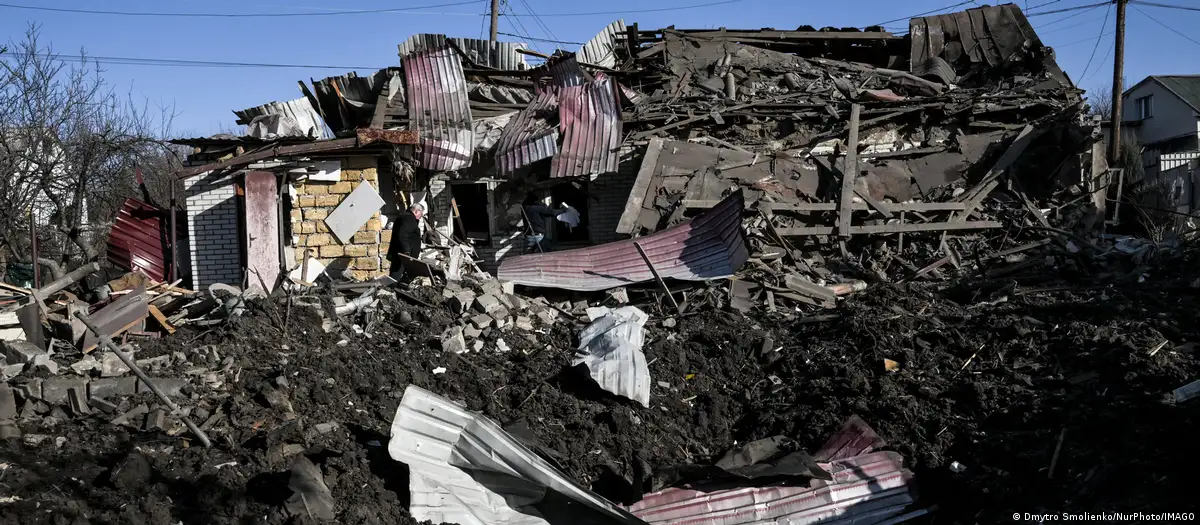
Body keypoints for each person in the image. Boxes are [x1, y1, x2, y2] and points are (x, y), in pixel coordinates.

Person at [387, 203, 425, 281]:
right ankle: (390, 288)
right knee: (396, 276)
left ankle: (393, 287)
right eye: (421, 214)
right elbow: (403, 234)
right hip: (403, 255)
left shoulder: (404, 216)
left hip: (401, 254)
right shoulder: (409, 218)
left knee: (399, 277)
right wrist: (406, 251)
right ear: (416, 211)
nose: (421, 217)